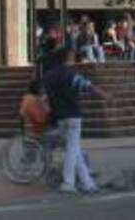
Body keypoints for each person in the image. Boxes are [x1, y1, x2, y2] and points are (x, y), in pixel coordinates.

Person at [43, 47, 110, 195]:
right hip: (73, 115)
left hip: (59, 116)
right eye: (72, 56)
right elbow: (88, 86)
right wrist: (105, 95)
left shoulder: (48, 76)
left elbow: (44, 97)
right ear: (68, 57)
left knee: (75, 150)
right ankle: (68, 183)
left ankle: (87, 183)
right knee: (72, 150)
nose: (74, 59)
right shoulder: (71, 74)